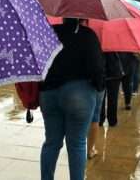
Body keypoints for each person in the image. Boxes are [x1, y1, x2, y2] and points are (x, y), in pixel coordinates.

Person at [39, 18, 105, 180]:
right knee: (77, 144)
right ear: (82, 16)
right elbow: (97, 69)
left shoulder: (48, 32)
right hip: (80, 94)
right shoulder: (88, 35)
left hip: (48, 93)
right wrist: (99, 87)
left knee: (51, 142)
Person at [100, 52, 134, 127]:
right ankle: (112, 120)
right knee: (113, 98)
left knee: (101, 98)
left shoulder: (100, 41)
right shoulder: (118, 43)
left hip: (102, 72)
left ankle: (100, 119)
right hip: (114, 72)